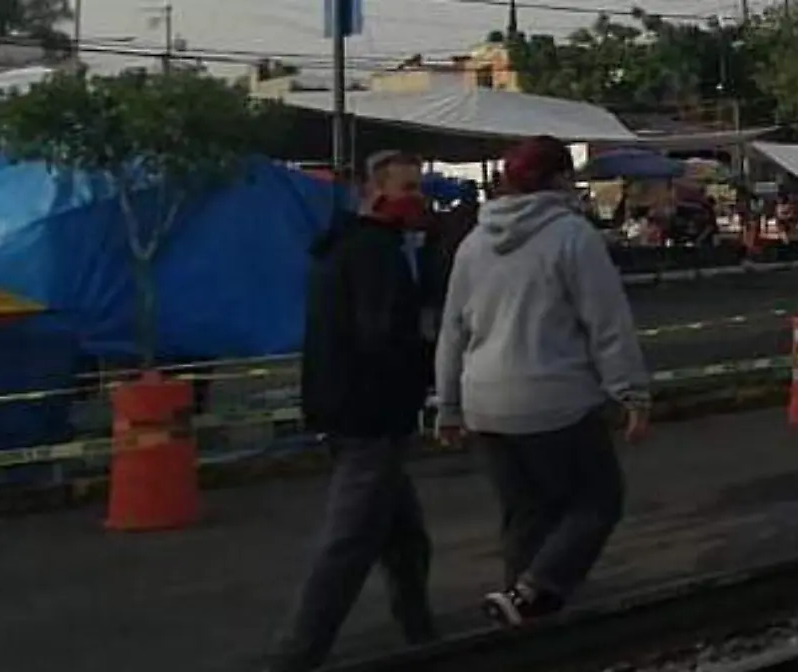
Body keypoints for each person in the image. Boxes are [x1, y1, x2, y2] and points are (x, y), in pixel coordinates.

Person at [433, 136, 651, 626]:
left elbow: (452, 329)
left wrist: (447, 404)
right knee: (597, 502)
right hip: (555, 399)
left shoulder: (474, 242)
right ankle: (536, 589)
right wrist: (631, 393)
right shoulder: (573, 236)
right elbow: (606, 323)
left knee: (525, 513)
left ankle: (520, 610)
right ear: (558, 179)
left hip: (484, 401)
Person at [267, 151, 437, 672]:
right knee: (348, 544)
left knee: (405, 539)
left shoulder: (342, 247)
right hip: (372, 417)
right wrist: (426, 367)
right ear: (376, 191)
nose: (416, 197)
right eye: (407, 187)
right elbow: (381, 336)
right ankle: (298, 655)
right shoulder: (375, 254)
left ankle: (422, 634)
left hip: (350, 411)